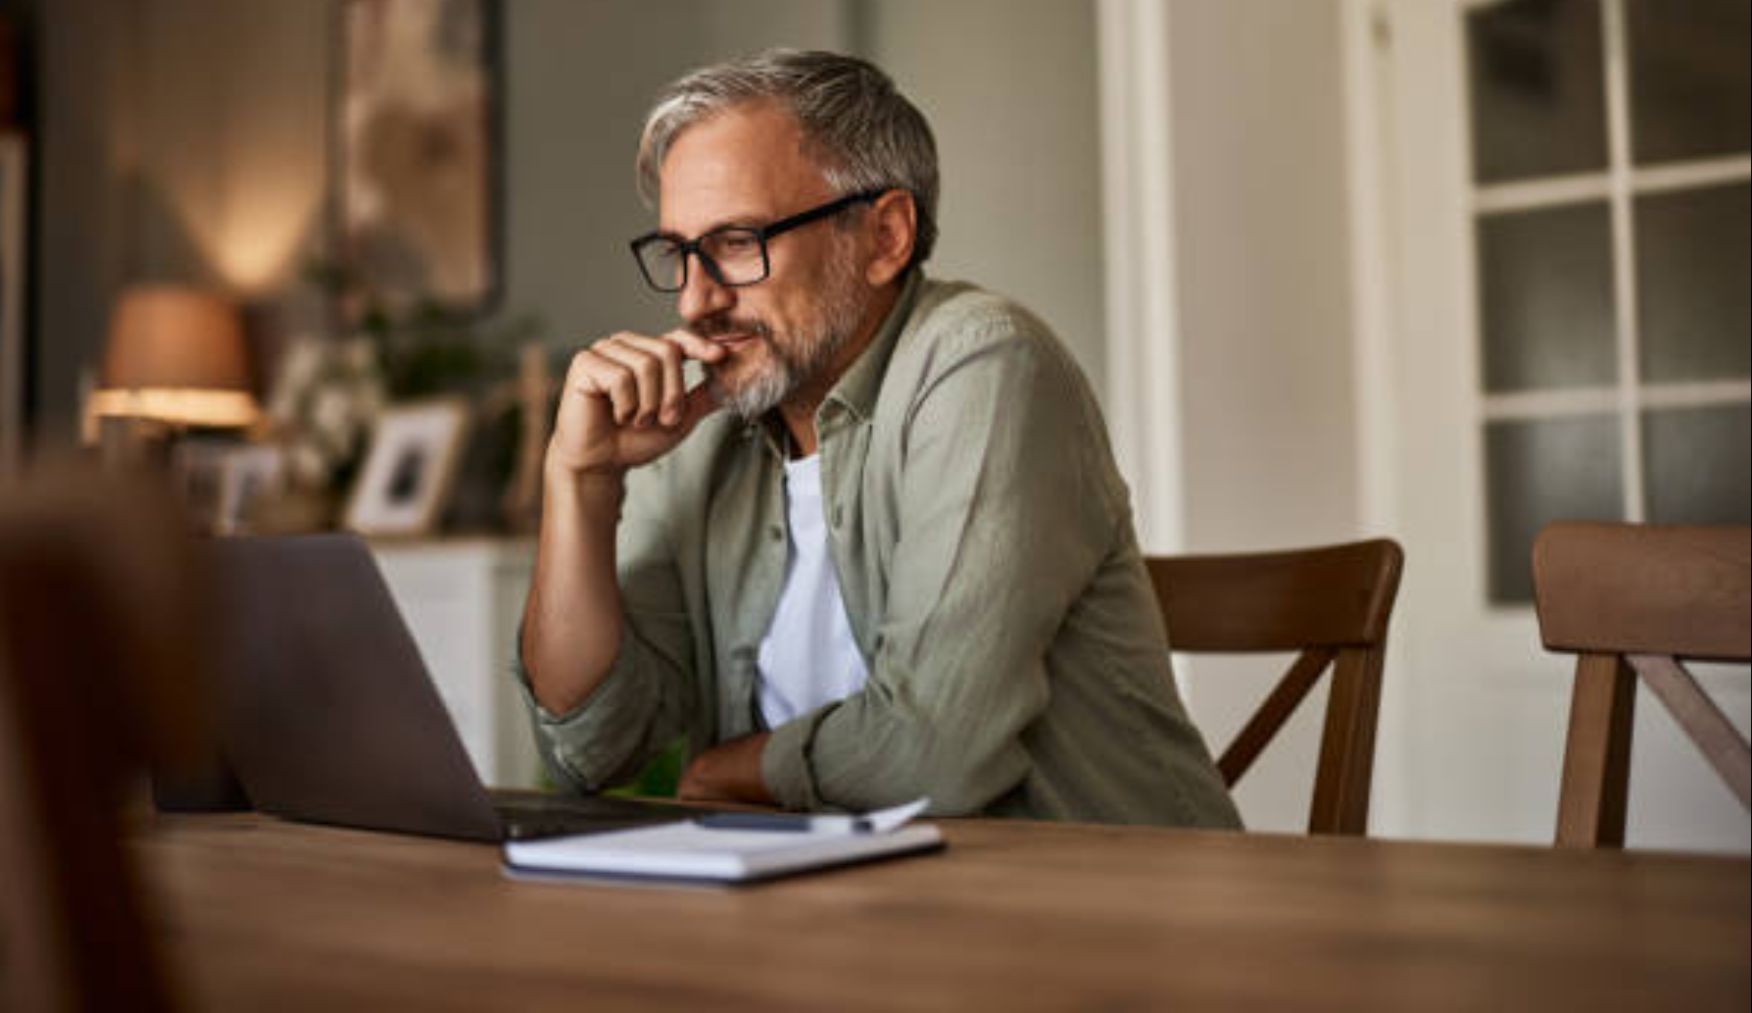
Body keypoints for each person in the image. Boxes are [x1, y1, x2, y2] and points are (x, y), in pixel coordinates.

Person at [517, 49, 1240, 827]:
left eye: (735, 242)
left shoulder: (983, 363)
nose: (696, 301)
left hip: (1101, 908)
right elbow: (589, 749)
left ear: (885, 235)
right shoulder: (702, 422)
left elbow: (935, 752)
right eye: (679, 254)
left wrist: (739, 769)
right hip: (828, 904)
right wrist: (580, 479)